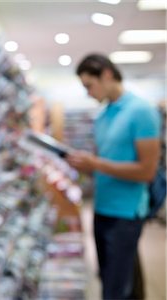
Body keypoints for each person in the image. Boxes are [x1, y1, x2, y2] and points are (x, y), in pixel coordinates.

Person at [67, 53, 161, 299]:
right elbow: (102, 164)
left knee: (115, 288)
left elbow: (147, 170)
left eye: (89, 85)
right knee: (112, 277)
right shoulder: (102, 116)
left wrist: (96, 163)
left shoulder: (141, 112)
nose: (88, 93)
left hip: (126, 212)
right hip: (102, 208)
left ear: (107, 75)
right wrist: (82, 164)